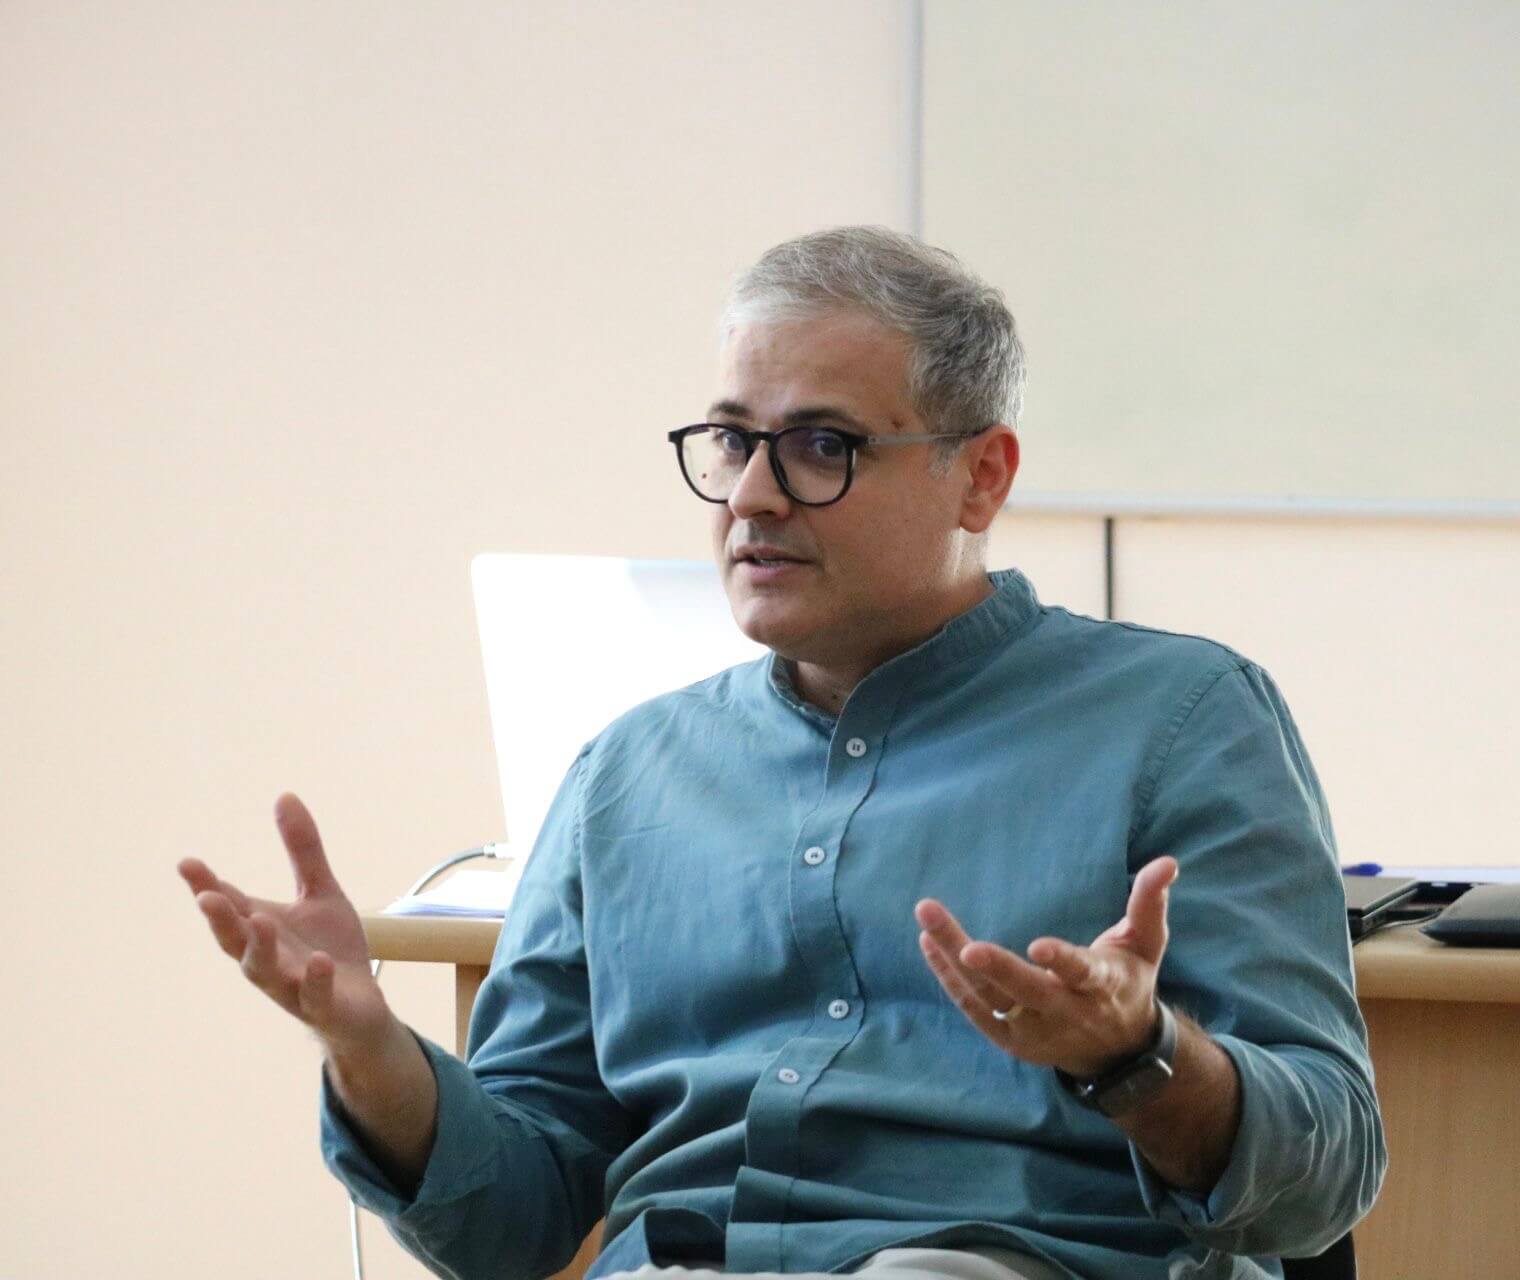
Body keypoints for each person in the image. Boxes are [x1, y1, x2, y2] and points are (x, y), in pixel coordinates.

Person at [180, 226, 1384, 1280]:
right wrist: (371, 1052)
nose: (750, 495)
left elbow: (1326, 1171)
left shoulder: (1179, 718)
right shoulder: (626, 774)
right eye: (729, 439)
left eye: (819, 444)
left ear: (979, 477)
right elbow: (514, 1223)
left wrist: (1138, 1054)